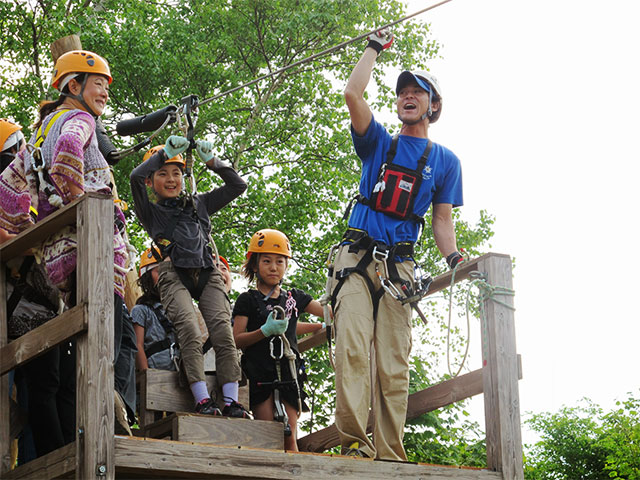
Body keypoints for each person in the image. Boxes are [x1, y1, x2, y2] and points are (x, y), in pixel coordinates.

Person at [330, 29, 464, 460]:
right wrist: (373, 48)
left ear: (433, 105)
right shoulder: (379, 143)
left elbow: (442, 221)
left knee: (393, 364)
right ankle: (355, 443)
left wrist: (454, 258)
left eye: (417, 92)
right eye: (403, 91)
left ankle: (390, 453)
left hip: (399, 270)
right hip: (355, 256)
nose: (408, 96)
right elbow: (353, 94)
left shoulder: (446, 162)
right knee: (352, 348)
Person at [0, 50, 138, 435]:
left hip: (59, 256)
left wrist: (16, 230)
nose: (105, 94)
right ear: (72, 86)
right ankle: (100, 435)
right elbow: (67, 155)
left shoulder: (41, 130)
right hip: (92, 249)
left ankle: (83, 434)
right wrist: (79, 201)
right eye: (99, 84)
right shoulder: (79, 119)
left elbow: (8, 191)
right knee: (103, 349)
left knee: (79, 350)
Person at [130, 139, 250, 418]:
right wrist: (165, 154)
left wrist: (213, 162)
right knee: (189, 332)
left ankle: (230, 401)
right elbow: (135, 177)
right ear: (152, 181)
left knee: (223, 333)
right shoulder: (151, 212)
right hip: (174, 275)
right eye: (163, 173)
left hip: (207, 272)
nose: (171, 179)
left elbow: (237, 186)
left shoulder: (200, 203)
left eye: (176, 173)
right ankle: (201, 399)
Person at [232, 229, 324, 451]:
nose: (274, 267)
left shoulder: (294, 298)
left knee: (289, 437)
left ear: (286, 265)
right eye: (267, 261)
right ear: (255, 265)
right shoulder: (247, 300)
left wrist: (323, 324)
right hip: (260, 373)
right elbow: (236, 340)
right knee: (268, 437)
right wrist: (264, 331)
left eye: (279, 261)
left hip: (288, 373)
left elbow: (325, 312)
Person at [131, 246, 179, 373]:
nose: (166, 277)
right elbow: (138, 345)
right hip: (156, 374)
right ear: (147, 276)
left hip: (181, 373)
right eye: (160, 272)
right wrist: (147, 376)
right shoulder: (141, 310)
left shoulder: (179, 309)